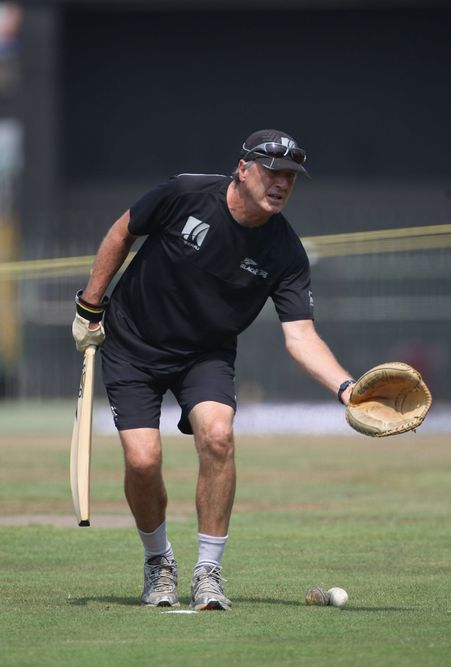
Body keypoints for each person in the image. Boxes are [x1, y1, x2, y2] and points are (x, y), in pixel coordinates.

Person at [72, 129, 355, 611]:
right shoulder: (185, 194)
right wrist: (90, 305)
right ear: (243, 170)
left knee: (218, 435)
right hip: (132, 345)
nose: (281, 184)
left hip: (204, 354)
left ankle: (209, 571)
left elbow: (301, 336)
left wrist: (348, 389)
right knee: (143, 462)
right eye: (273, 172)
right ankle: (158, 562)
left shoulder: (285, 251)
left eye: (290, 177)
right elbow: (124, 231)